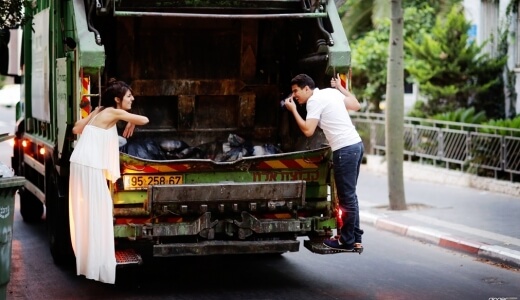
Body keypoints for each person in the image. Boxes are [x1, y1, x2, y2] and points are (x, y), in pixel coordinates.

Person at [68, 79, 149, 283]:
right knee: (101, 209)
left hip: (81, 163)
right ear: (117, 99)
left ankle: (92, 261)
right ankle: (98, 263)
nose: (132, 98)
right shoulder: (113, 112)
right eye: (129, 96)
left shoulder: (101, 111)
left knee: (94, 211)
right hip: (89, 165)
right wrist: (131, 119)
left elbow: (76, 129)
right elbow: (145, 120)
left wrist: (97, 113)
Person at [284, 73, 364, 252]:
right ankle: (354, 238)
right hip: (356, 146)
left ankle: (346, 241)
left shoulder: (314, 101)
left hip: (344, 149)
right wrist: (341, 88)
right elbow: (356, 105)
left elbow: (308, 130)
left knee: (347, 198)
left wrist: (294, 110)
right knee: (351, 196)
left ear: (307, 89)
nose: (294, 96)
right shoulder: (330, 92)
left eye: (296, 91)